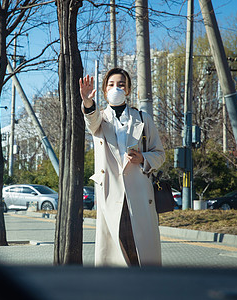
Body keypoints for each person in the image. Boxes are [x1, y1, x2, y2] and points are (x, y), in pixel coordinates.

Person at [80, 68, 165, 267]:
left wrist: (143, 158)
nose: (116, 88)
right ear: (104, 90)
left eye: (121, 84)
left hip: (139, 192)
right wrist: (86, 101)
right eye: (111, 84)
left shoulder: (143, 119)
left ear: (127, 90)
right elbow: (91, 121)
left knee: (140, 248)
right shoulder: (99, 118)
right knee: (116, 245)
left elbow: (160, 154)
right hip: (111, 191)